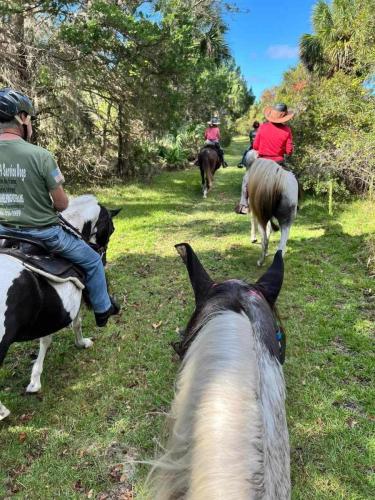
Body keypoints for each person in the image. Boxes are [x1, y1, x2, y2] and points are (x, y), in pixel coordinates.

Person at [0, 88, 119, 326]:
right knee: (94, 261)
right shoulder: (41, 156)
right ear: (21, 118)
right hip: (44, 233)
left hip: (3, 232)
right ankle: (103, 308)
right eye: (30, 118)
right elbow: (62, 204)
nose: (30, 124)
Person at [235, 103, 294, 214]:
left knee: (246, 179)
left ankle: (244, 205)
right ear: (284, 117)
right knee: (293, 180)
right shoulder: (287, 130)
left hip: (261, 163)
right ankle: (293, 205)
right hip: (278, 163)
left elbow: (256, 146)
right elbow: (289, 151)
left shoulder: (263, 127)